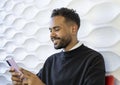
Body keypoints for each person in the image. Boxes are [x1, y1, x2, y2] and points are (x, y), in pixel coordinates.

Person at [9, 7, 105, 85]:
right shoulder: (51, 61)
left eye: (57, 29)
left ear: (73, 29)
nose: (52, 35)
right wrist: (21, 82)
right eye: (50, 30)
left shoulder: (93, 59)